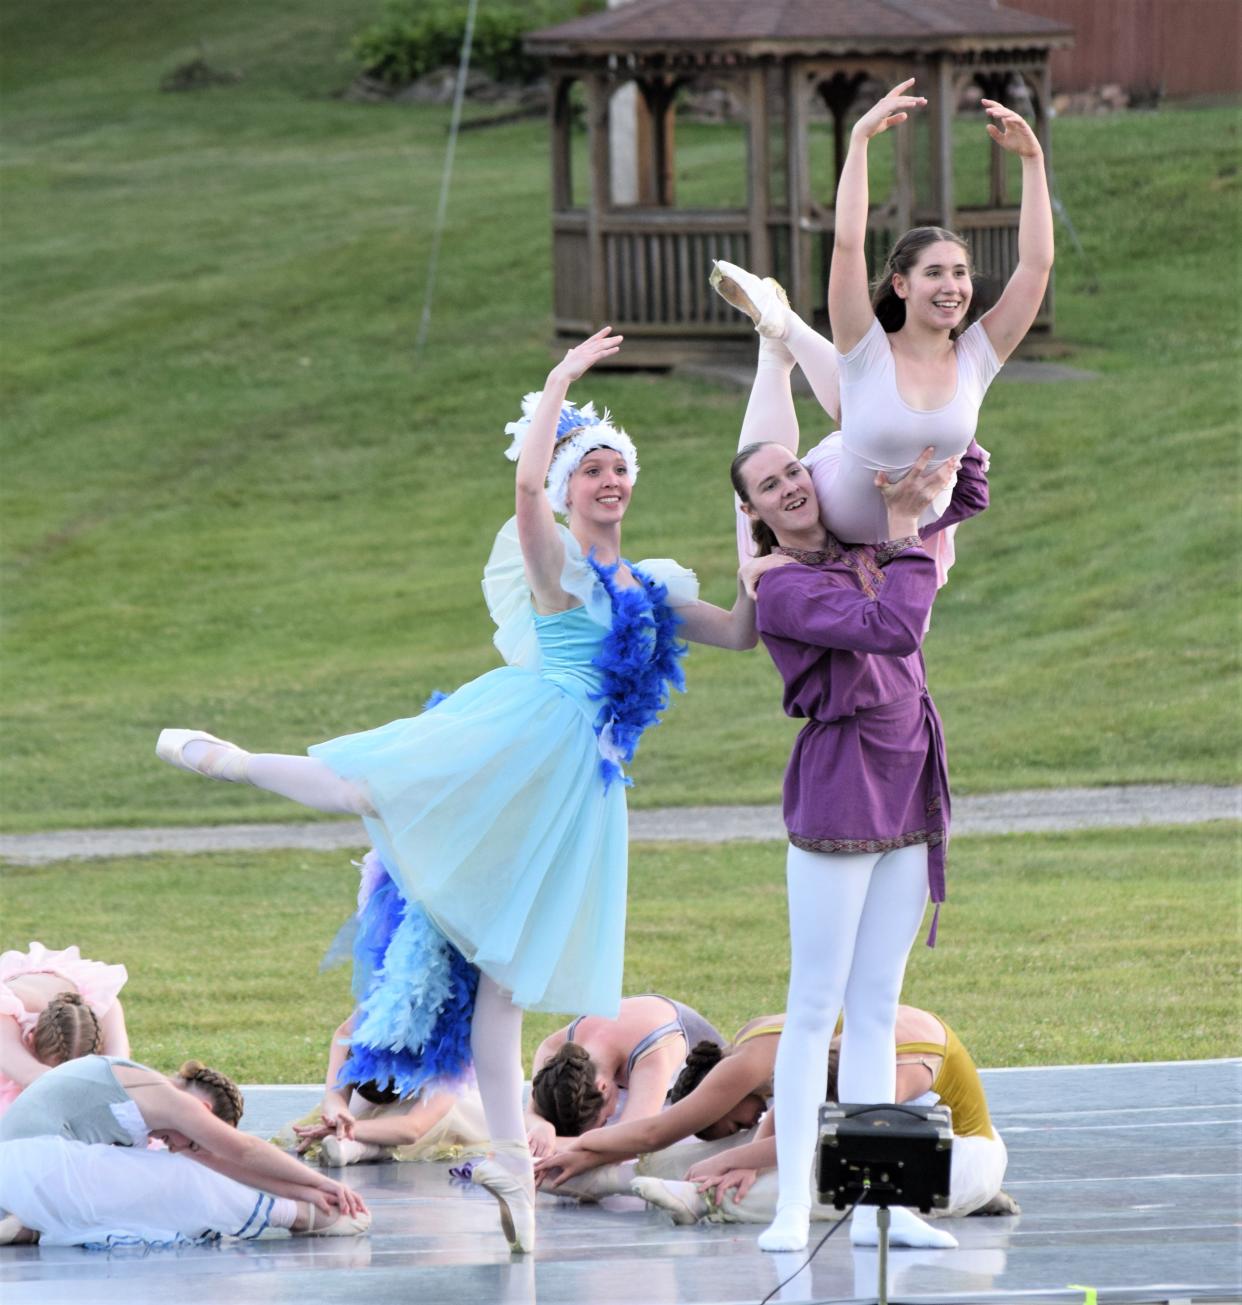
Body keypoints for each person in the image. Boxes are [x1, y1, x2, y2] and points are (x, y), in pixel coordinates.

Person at [154, 328, 760, 1253]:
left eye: (617, 469)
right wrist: (560, 381)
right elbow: (523, 489)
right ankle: (234, 761)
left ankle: (512, 1162)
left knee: (507, 984)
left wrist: (757, 514)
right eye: (591, 469)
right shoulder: (556, 569)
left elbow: (745, 628)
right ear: (566, 489)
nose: (608, 481)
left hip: (576, 795)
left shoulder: (653, 586)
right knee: (371, 786)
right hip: (515, 735)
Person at [725, 433, 986, 1254]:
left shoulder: (867, 540)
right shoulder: (783, 590)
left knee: (877, 1003)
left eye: (795, 469)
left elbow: (967, 487)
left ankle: (884, 1202)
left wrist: (936, 414)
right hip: (842, 783)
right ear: (754, 512)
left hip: (909, 774)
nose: (791, 487)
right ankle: (795, 1206)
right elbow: (893, 628)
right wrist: (906, 532)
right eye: (770, 485)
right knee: (813, 1008)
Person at [712, 78, 1051, 587]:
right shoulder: (865, 343)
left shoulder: (978, 355)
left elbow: (1036, 264)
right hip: (834, 509)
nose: (952, 286)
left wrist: (1033, 163)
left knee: (858, 404)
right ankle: (776, 345)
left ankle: (785, 327)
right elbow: (848, 244)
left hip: (910, 526)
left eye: (959, 273)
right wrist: (859, 142)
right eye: (933, 273)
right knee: (769, 464)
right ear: (901, 285)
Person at [627, 1006, 1014, 1228]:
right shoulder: (838, 1052)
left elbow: (844, 1136)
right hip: (914, 1134)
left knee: (830, 1174)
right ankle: (621, 1176)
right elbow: (794, 1113)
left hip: (963, 1158)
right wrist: (749, 1157)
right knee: (757, 1149)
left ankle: (704, 1199)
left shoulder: (899, 1073)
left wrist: (731, 1162)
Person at [0, 1054, 369, 1245]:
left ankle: (27, 1226)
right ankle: (294, 1216)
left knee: (169, 1178)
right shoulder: (170, 1099)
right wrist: (324, 1185)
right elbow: (242, 1151)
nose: (176, 1146)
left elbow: (223, 1162)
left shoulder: (149, 1094)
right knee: (183, 1179)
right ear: (203, 1112)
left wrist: (312, 1189)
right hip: (31, 1164)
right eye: (191, 1138)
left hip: (27, 1175)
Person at [526, 994, 723, 1152]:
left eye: (601, 1121)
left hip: (717, 1091)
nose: (604, 1124)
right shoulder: (553, 1050)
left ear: (602, 1087)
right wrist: (541, 1126)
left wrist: (554, 1144)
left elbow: (635, 1137)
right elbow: (530, 1111)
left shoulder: (653, 1055)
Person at [0, 941, 131, 1117]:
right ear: (33, 1040)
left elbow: (119, 1071)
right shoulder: (5, 1013)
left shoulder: (103, 1003)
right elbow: (31, 1076)